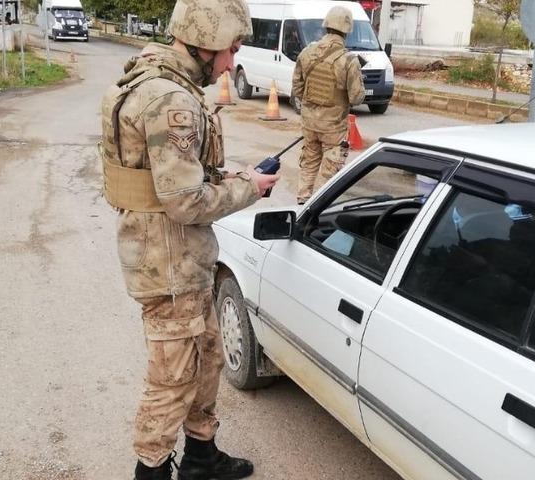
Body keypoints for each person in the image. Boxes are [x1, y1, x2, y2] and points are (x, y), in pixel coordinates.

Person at [98, 1, 280, 479]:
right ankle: (152, 470)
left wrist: (227, 175)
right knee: (172, 377)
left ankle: (201, 457)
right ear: (204, 42)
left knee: (207, 358)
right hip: (171, 262)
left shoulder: (152, 82)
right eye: (229, 50)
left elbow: (177, 179)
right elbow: (185, 203)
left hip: (180, 258)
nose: (230, 64)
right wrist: (249, 189)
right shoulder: (171, 101)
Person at [292, 5, 366, 205]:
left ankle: (302, 203)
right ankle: (318, 210)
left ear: (326, 26)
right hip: (333, 127)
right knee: (329, 173)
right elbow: (357, 98)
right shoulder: (348, 60)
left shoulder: (307, 52)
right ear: (347, 30)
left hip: (309, 123)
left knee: (309, 163)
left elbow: (297, 89)